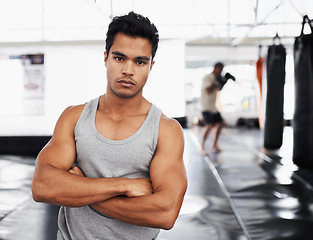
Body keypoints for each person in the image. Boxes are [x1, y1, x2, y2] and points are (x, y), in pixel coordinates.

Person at [31, 12, 187, 240]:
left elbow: (165, 213)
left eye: (140, 61)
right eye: (120, 58)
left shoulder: (166, 130)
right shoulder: (74, 117)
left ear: (151, 66)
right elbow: (42, 186)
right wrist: (122, 185)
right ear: (106, 58)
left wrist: (81, 187)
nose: (128, 70)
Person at [200, 62, 225, 154]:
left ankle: (214, 145)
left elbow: (218, 89)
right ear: (216, 68)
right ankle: (202, 146)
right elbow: (207, 90)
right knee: (209, 125)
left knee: (220, 124)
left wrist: (224, 82)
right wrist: (216, 83)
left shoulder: (216, 78)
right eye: (220, 69)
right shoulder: (208, 77)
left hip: (213, 106)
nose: (221, 71)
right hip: (206, 106)